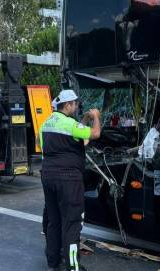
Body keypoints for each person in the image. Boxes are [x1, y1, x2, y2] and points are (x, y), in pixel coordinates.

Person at [40, 90, 101, 271]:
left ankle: (53, 262)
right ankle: (73, 267)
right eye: (75, 104)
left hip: (48, 176)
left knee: (54, 221)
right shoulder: (69, 124)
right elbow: (95, 133)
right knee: (72, 224)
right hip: (68, 179)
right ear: (67, 105)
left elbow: (77, 140)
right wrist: (96, 116)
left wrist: (83, 122)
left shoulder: (45, 124)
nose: (76, 106)